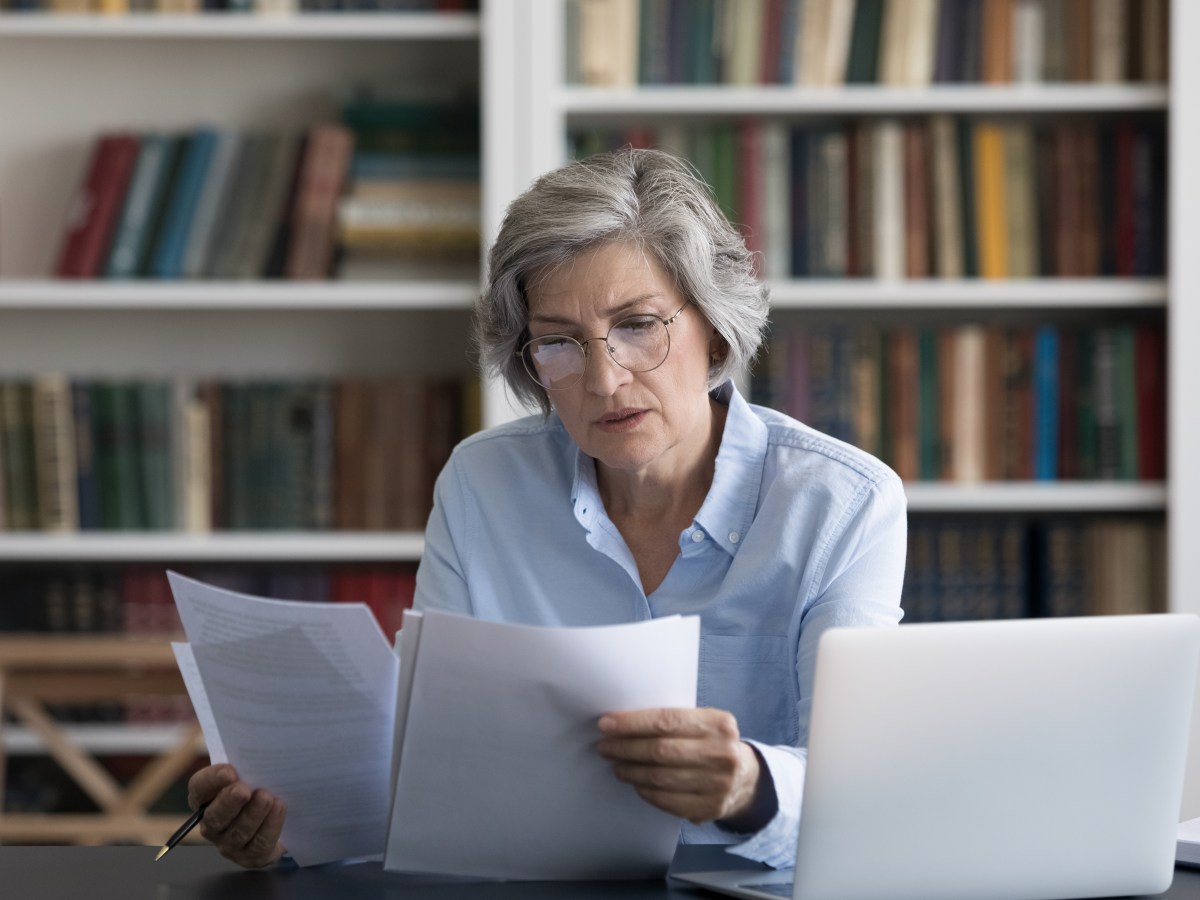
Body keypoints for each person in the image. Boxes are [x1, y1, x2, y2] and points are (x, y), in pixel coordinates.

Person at [186, 148, 907, 870]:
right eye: (558, 342)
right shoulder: (482, 484)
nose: (604, 379)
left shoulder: (841, 504)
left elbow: (866, 796)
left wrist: (750, 785)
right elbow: (428, 772)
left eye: (638, 326)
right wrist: (294, 828)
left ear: (715, 330)